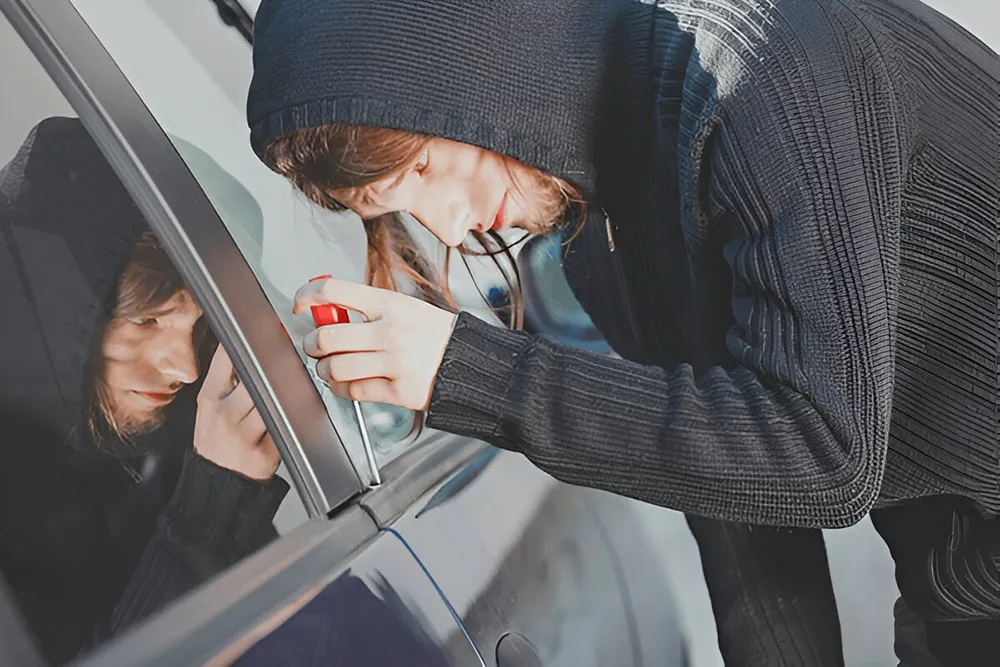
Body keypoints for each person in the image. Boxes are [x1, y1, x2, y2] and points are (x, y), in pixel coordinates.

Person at [246, 0, 998, 664]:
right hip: (960, 595)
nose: (447, 223)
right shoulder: (597, 243)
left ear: (468, 60)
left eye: (420, 169)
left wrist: (464, 369)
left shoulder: (763, 62)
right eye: (394, 201)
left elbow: (824, 448)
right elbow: (739, 512)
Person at [0, 117, 288, 664]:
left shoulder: (152, 440)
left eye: (199, 327)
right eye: (148, 320)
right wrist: (213, 505)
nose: (182, 365)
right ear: (58, 304)